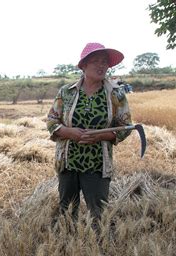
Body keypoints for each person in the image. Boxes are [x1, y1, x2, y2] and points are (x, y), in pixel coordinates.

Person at [47, 42, 132, 231]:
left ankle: (100, 252)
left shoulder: (115, 93)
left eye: (105, 62)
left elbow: (125, 127)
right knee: (67, 210)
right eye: (96, 61)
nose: (102, 66)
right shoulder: (66, 92)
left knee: (99, 212)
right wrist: (70, 133)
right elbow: (52, 121)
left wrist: (100, 136)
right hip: (68, 161)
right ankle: (67, 249)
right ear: (83, 65)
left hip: (97, 163)